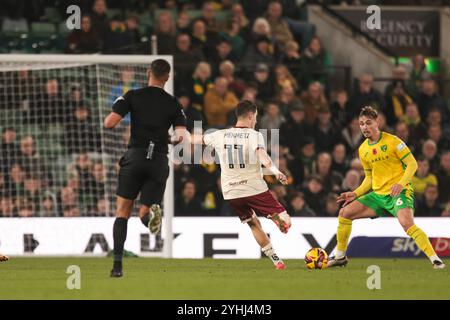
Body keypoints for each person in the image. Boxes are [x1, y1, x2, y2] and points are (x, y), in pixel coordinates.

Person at [329, 106, 445, 269]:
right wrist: (355, 193)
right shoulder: (363, 150)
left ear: (378, 122)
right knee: (344, 213)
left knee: (407, 223)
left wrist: (401, 184)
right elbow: (369, 178)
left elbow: (412, 164)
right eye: (361, 124)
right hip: (378, 196)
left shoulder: (393, 141)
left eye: (368, 123)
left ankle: (435, 260)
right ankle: (340, 257)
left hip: (399, 192)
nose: (364, 127)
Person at [104, 59, 187, 277]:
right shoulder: (173, 103)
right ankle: (149, 216)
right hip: (158, 160)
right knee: (143, 212)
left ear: (149, 73)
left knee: (122, 212)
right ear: (167, 77)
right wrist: (166, 139)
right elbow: (181, 136)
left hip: (135, 158)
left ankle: (117, 267)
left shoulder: (132, 95)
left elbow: (109, 123)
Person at [198, 100, 291, 270]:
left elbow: (197, 139)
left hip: (231, 192)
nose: (255, 121)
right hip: (253, 188)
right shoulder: (254, 135)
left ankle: (276, 260)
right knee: (287, 222)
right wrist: (276, 171)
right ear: (250, 116)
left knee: (253, 224)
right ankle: (275, 217)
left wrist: (172, 136)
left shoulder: (220, 134)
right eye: (255, 117)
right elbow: (262, 155)